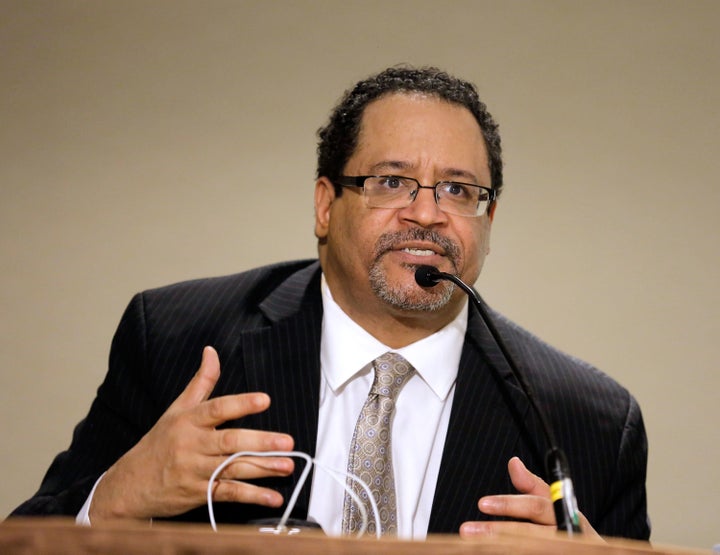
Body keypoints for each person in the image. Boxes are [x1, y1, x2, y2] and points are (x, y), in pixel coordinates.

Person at [10, 66, 650, 541]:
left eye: (458, 190)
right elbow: (28, 537)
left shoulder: (589, 424)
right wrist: (118, 498)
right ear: (325, 204)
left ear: (488, 219)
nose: (426, 213)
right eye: (392, 181)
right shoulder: (178, 341)